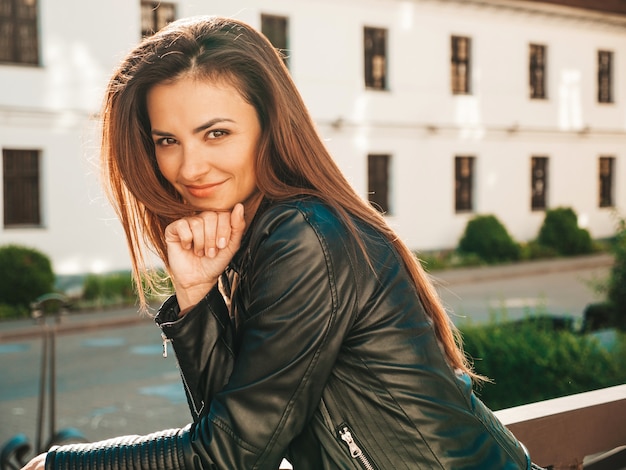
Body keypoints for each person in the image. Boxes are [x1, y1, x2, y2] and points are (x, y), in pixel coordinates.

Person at [23, 15, 540, 469]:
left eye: (216, 133)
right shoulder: (266, 236)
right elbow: (241, 430)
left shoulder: (306, 238)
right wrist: (197, 295)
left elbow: (230, 455)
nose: (190, 167)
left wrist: (61, 465)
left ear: (269, 126)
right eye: (167, 141)